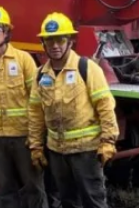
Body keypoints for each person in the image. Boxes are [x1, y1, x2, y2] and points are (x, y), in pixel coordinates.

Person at [28, 13, 118, 208]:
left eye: (60, 40)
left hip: (86, 151)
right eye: (49, 40)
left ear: (70, 41)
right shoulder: (40, 75)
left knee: (93, 201)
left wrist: (108, 140)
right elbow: (35, 113)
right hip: (57, 152)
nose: (55, 45)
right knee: (68, 201)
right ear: (43, 43)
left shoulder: (87, 68)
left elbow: (105, 106)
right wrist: (35, 146)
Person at [0, 6, 46, 208]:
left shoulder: (23, 60)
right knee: (5, 190)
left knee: (34, 188)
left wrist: (36, 136)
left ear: (6, 32)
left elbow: (37, 100)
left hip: (23, 137)